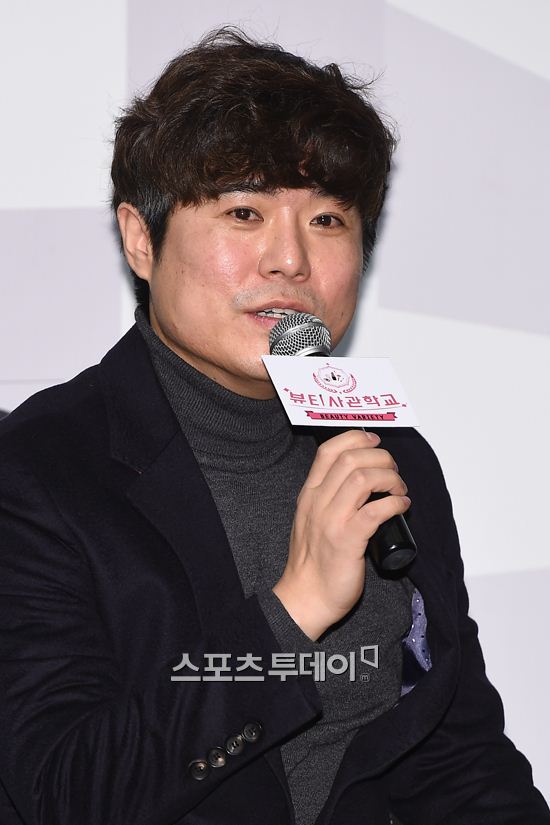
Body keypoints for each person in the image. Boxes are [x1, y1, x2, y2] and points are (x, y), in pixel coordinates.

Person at [0, 27, 547, 825]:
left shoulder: (386, 457)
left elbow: (456, 757)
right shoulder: (37, 470)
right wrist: (295, 608)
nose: (290, 259)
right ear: (141, 239)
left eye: (326, 219)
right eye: (245, 211)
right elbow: (68, 791)